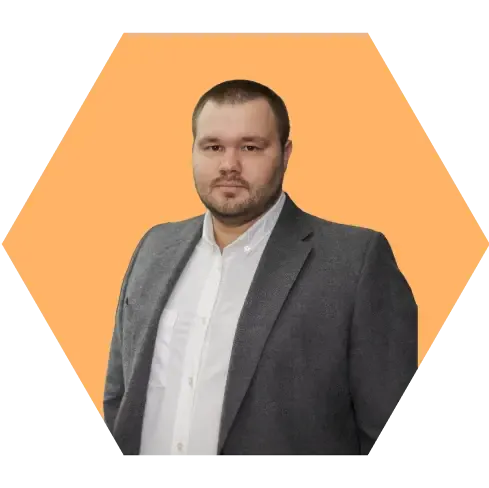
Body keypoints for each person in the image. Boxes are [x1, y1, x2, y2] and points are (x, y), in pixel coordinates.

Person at [103, 79, 418, 456]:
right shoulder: (154, 246)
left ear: (285, 154)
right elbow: (119, 395)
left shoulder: (355, 261)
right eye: (213, 146)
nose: (229, 165)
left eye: (250, 147)